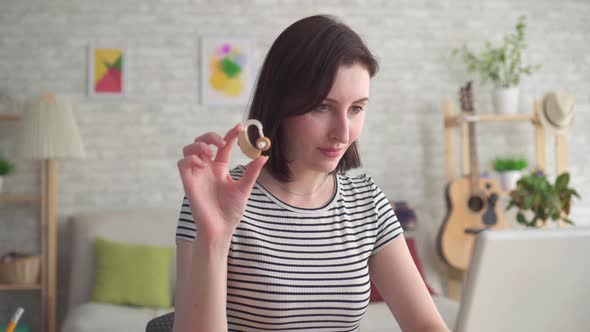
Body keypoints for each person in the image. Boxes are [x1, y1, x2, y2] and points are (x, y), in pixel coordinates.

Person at [174, 14, 450, 332]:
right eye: (322, 107)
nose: (343, 133)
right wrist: (214, 238)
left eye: (356, 108)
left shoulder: (366, 202)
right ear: (281, 106)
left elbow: (426, 325)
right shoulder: (215, 199)